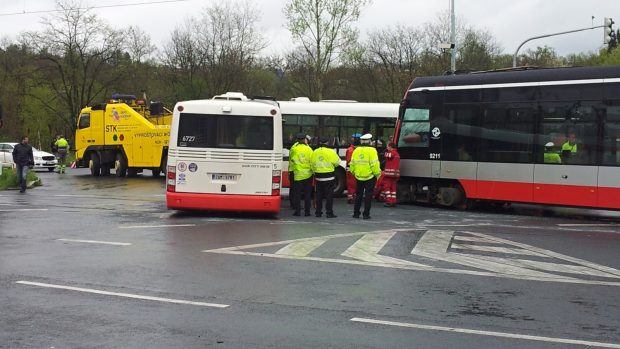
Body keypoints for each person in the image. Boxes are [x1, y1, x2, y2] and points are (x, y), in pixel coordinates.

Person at [350, 133, 381, 219]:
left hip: (358, 177)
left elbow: (352, 164)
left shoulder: (356, 150)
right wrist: (377, 174)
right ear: (370, 142)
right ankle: (366, 214)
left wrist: (355, 173)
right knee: (368, 196)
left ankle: (356, 213)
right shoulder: (372, 150)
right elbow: (374, 164)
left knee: (358, 195)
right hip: (370, 177)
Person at [311, 136, 340, 218]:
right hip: (329, 177)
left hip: (318, 177)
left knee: (319, 195)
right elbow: (337, 163)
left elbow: (311, 164)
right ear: (327, 142)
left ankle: (318, 212)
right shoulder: (331, 152)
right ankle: (329, 213)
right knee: (329, 196)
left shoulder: (315, 152)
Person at [291, 132, 314, 216]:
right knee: (307, 194)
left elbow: (292, 160)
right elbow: (312, 161)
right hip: (308, 175)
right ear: (305, 140)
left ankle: (297, 211)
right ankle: (307, 212)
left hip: (298, 175)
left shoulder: (294, 149)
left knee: (297, 194)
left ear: (297, 140)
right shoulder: (309, 149)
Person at [382, 143, 401, 207]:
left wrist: (384, 153)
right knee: (393, 188)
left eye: (387, 147)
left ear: (390, 147)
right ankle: (393, 201)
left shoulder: (392, 153)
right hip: (395, 175)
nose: (387, 148)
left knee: (386, 187)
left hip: (389, 174)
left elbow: (389, 155)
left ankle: (389, 201)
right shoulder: (397, 154)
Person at [345, 134, 360, 204]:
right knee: (353, 184)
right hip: (352, 169)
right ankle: (352, 198)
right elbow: (349, 161)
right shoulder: (352, 150)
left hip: (351, 169)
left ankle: (351, 197)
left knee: (351, 184)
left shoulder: (350, 149)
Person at [288, 138, 300, 208]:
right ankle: (294, 204)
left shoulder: (294, 146)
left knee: (293, 188)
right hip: (295, 170)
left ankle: (293, 203)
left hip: (292, 170)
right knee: (295, 188)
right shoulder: (296, 147)